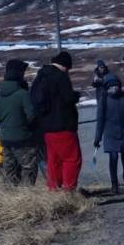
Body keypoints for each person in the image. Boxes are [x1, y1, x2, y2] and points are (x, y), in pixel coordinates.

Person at [31, 51, 83, 191]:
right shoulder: (60, 76)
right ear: (65, 65)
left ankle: (53, 189)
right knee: (72, 159)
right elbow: (68, 98)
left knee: (54, 161)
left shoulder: (40, 76)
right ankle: (68, 191)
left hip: (47, 128)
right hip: (63, 125)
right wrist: (76, 96)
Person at [0, 60, 38, 185]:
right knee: (29, 169)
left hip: (5, 140)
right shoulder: (22, 94)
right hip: (23, 139)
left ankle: (10, 200)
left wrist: (4, 122)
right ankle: (27, 200)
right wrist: (23, 125)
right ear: (19, 74)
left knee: (10, 172)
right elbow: (32, 116)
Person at [93, 73, 124, 194]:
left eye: (117, 86)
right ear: (107, 88)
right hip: (110, 134)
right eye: (112, 86)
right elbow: (100, 121)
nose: (115, 88)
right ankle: (114, 183)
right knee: (113, 157)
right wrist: (97, 138)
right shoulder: (104, 100)